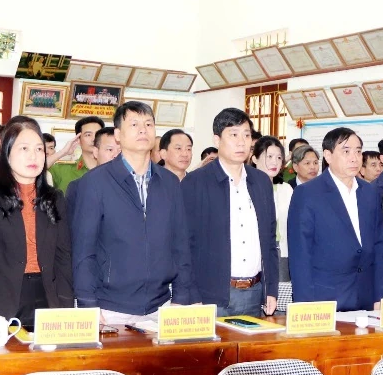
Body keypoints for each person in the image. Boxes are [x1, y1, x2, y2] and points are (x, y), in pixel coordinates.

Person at [71, 101, 198, 324]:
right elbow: (84, 250)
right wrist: (88, 304)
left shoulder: (169, 182)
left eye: (148, 124)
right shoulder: (95, 182)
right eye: (134, 124)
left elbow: (180, 245)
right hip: (110, 307)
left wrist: (181, 297)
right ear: (117, 135)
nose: (143, 130)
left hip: (161, 304)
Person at [0, 118, 73, 329]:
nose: (33, 156)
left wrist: (66, 307)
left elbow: (63, 258)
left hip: (47, 298)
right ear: (7, 152)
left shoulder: (55, 198)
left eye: (39, 149)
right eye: (24, 148)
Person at [183, 109, 278, 318]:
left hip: (255, 294)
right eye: (233, 135)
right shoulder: (195, 182)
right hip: (211, 296)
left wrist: (271, 289)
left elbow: (269, 240)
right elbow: (184, 245)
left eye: (246, 135)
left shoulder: (261, 182)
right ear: (217, 140)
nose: (241, 142)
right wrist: (191, 294)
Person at [288, 127, 383, 311]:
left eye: (358, 151)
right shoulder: (307, 193)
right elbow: (300, 254)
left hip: (365, 296)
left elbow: (380, 245)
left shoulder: (370, 192)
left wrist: (380, 295)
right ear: (328, 155)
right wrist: (305, 305)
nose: (354, 158)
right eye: (346, 151)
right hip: (324, 298)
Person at [251, 135, 293, 281]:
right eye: (269, 156)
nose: (275, 162)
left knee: (280, 292)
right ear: (254, 159)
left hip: (281, 251)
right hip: (254, 252)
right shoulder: (245, 189)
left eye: (279, 157)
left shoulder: (286, 189)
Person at [66, 126, 121, 213]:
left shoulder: (132, 185)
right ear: (96, 152)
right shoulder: (79, 186)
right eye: (110, 149)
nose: (116, 155)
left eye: (120, 151)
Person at [48, 116, 104, 194]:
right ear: (78, 140)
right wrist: (63, 152)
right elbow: (36, 172)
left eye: (98, 134)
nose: (94, 139)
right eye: (88, 135)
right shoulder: (62, 170)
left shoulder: (112, 170)